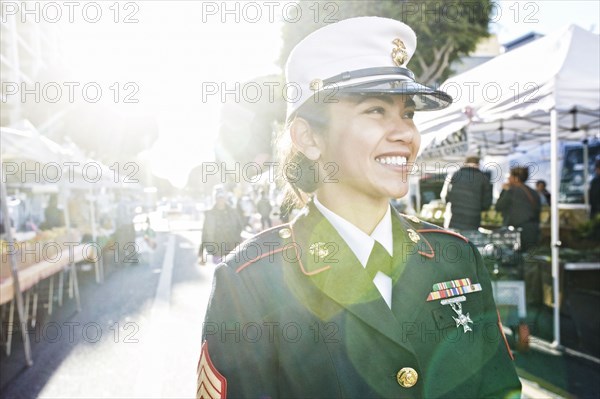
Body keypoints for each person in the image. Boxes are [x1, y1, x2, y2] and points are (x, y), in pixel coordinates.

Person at [197, 17, 521, 398]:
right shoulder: (250, 282)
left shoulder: (457, 256)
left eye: (408, 113)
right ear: (309, 137)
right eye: (375, 111)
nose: (406, 133)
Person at [495, 167, 542, 252]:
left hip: (515, 232)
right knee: (528, 259)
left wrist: (504, 190)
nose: (508, 178)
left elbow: (498, 207)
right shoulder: (533, 192)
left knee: (512, 259)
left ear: (516, 178)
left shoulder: (511, 191)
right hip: (532, 231)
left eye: (510, 176)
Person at [445, 155, 492, 230]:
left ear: (465, 163)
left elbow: (448, 196)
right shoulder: (483, 178)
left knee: (455, 238)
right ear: (478, 164)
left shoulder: (456, 174)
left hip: (455, 216)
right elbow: (486, 203)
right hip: (473, 219)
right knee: (469, 240)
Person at [198, 188, 244, 265]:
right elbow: (204, 233)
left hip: (231, 248)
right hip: (216, 249)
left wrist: (237, 240)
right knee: (219, 272)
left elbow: (240, 227)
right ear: (215, 199)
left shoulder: (233, 212)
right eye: (218, 197)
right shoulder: (210, 214)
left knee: (231, 272)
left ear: (225, 198)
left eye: (222, 197)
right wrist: (201, 253)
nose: (220, 200)